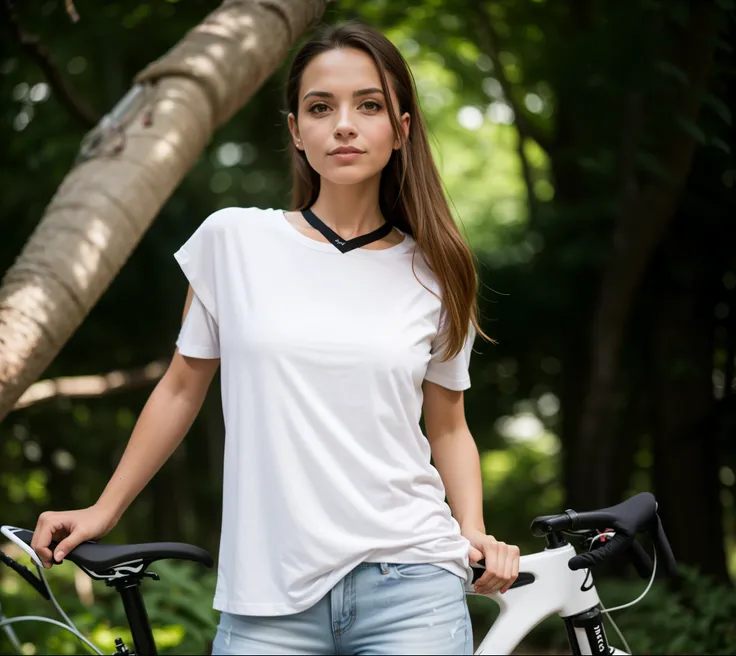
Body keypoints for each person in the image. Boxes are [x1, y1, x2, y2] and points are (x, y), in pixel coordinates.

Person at [31, 20, 520, 655]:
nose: (343, 124)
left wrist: (474, 530)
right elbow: (181, 388)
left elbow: (448, 426)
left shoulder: (437, 271)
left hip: (412, 583)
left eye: (368, 105)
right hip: (266, 601)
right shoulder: (233, 241)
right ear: (296, 130)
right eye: (321, 107)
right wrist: (104, 509)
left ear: (400, 130)